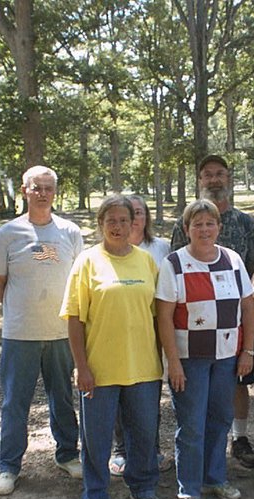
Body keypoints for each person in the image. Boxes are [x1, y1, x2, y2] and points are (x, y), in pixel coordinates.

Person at [60, 195, 165, 499]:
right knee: (97, 438)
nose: (119, 227)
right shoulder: (87, 262)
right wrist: (82, 366)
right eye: (112, 221)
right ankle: (96, 498)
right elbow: (74, 319)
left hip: (144, 368)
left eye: (125, 220)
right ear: (101, 224)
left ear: (136, 223)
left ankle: (143, 486)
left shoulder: (147, 262)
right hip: (101, 370)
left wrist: (168, 361)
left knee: (144, 433)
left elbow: (157, 316)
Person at [158, 199, 254, 499]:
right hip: (190, 359)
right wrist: (172, 361)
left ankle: (215, 478)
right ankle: (188, 490)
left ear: (219, 227)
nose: (203, 229)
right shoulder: (173, 263)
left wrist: (248, 351)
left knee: (219, 420)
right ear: (186, 229)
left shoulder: (233, 259)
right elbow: (163, 317)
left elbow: (249, 308)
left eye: (209, 223)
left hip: (227, 357)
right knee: (191, 425)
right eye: (196, 224)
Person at [0, 165, 83, 497]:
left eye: (48, 188)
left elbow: (79, 281)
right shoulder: (9, 233)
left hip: (60, 332)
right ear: (24, 190)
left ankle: (68, 455)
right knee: (16, 401)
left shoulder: (70, 232)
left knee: (62, 398)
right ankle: (9, 466)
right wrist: (21, 309)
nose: (42, 193)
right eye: (36, 187)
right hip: (19, 334)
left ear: (55, 192)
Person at [170, 155, 254, 469]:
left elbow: (252, 273)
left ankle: (239, 438)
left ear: (228, 178)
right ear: (200, 180)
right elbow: (175, 274)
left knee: (237, 383)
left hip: (232, 325)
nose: (214, 180)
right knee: (194, 406)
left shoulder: (246, 223)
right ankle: (195, 470)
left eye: (220, 174)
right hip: (193, 333)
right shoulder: (184, 223)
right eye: (208, 174)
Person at [109, 194, 173, 476]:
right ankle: (121, 450)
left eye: (139, 213)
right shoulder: (107, 250)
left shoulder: (161, 248)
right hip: (118, 334)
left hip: (152, 334)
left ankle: (152, 449)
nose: (134, 220)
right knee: (118, 395)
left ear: (145, 218)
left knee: (149, 395)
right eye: (128, 214)